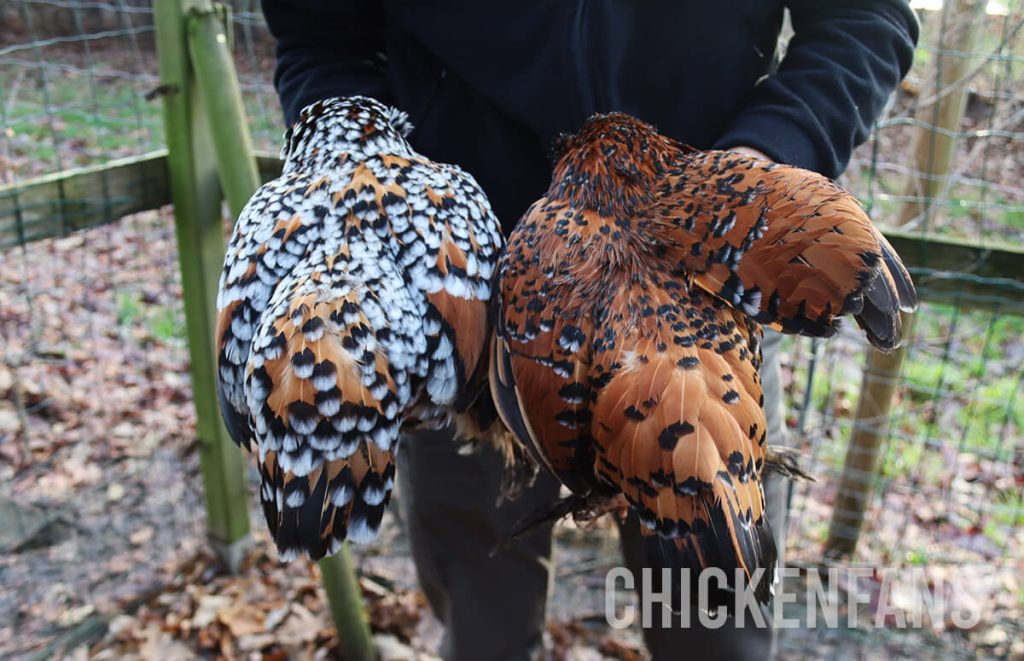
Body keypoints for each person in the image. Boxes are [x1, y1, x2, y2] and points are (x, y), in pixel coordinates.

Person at [259, 2, 919, 659]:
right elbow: (323, 42)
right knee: (482, 623)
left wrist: (763, 161)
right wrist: (376, 195)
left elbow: (865, 20)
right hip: (461, 306)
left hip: (694, 300)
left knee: (716, 619)